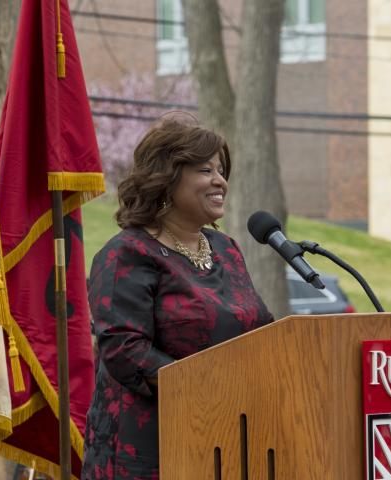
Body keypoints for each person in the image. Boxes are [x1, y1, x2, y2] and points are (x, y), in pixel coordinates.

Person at [81, 115, 274, 480]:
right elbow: (126, 351)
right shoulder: (127, 253)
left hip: (226, 444)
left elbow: (259, 328)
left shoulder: (225, 249)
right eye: (205, 170)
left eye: (221, 169)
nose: (220, 180)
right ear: (166, 179)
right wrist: (210, 385)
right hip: (148, 454)